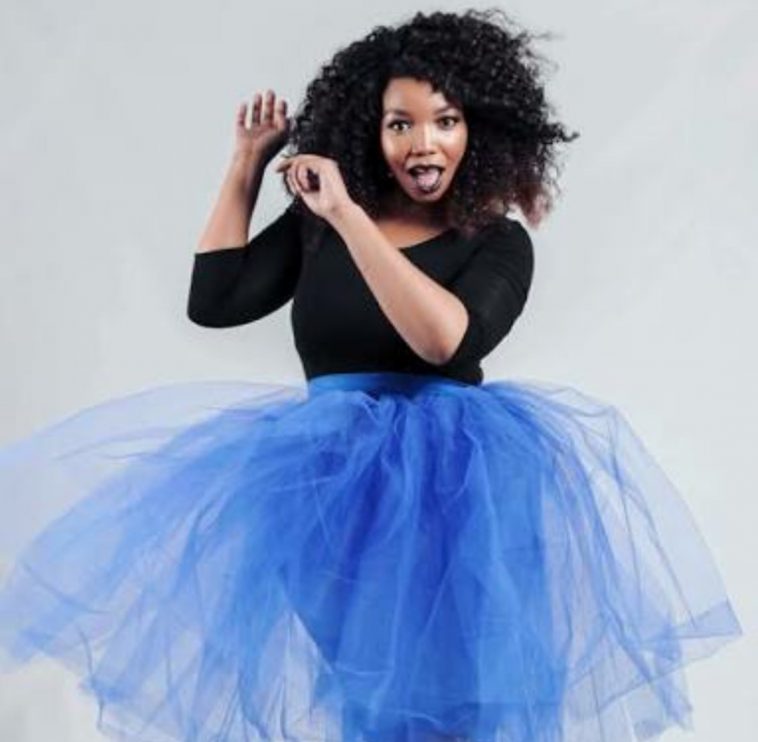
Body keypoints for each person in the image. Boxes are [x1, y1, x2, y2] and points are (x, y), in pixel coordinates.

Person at [0, 8, 742, 742]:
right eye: (400, 124)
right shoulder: (319, 226)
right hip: (324, 485)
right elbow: (215, 301)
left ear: (478, 129)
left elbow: (444, 340)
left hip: (456, 489)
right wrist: (247, 166)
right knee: (367, 700)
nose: (423, 142)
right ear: (371, 131)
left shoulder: (496, 241)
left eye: (445, 121)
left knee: (453, 700)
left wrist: (349, 217)